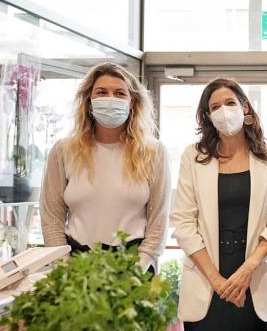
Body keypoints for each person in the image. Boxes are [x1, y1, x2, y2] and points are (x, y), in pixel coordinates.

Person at [171, 77, 267, 331]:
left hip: (255, 280)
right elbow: (184, 223)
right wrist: (218, 281)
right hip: (207, 279)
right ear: (207, 116)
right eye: (215, 107)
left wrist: (246, 270)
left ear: (245, 107)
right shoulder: (194, 156)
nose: (224, 111)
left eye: (230, 103)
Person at [40, 62, 170, 272]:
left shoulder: (153, 152)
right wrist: (63, 267)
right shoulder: (64, 150)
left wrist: (137, 269)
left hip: (134, 268)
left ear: (132, 103)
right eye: (102, 92)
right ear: (89, 101)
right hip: (75, 266)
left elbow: (158, 224)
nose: (110, 98)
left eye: (119, 93)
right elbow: (51, 217)